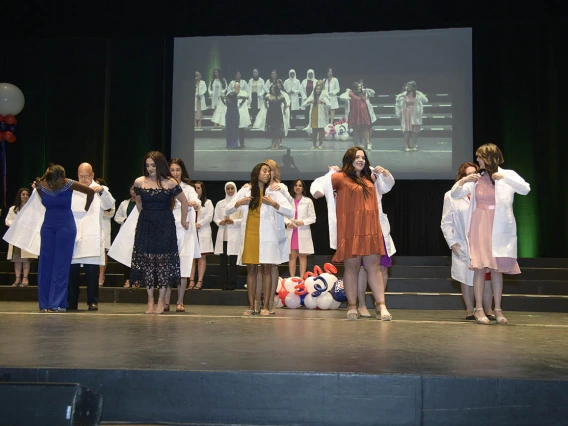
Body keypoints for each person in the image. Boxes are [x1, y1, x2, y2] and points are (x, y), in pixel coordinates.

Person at [451, 143, 530, 325]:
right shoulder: (477, 178)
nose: (477, 160)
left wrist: (504, 178)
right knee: (479, 267)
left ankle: (498, 309)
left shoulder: (507, 175)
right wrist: (463, 181)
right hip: (480, 224)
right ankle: (479, 309)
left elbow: (525, 188)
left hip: (499, 225)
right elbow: (455, 195)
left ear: (489, 158)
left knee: (496, 269)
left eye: (480, 157)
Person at [311, 147, 390, 320]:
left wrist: (385, 174)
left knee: (374, 268)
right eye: (357, 157)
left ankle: (381, 306)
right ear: (349, 159)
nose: (360, 159)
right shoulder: (340, 177)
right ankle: (352, 306)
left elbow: (388, 186)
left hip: (370, 228)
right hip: (350, 229)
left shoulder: (370, 177)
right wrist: (319, 190)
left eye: (363, 157)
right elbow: (317, 183)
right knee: (351, 268)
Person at [4, 164, 94, 312]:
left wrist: (86, 209)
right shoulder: (40, 185)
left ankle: (57, 303)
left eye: (62, 179)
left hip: (66, 226)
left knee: (61, 265)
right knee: (45, 263)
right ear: (51, 179)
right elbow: (42, 200)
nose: (60, 183)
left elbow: (90, 192)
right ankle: (45, 303)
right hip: (48, 227)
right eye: (58, 180)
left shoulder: (69, 183)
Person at [226, 162, 294, 316]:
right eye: (264, 171)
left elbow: (290, 212)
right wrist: (238, 203)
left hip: (267, 236)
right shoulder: (245, 190)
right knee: (250, 270)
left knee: (266, 270)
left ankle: (265, 306)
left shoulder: (274, 192)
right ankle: (251, 306)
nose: (267, 174)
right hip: (250, 234)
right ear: (257, 173)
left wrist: (275, 204)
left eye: (269, 172)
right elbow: (227, 209)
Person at [130, 151, 189, 314]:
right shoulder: (139, 182)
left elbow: (184, 202)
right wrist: (145, 218)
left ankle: (161, 300)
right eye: (147, 165)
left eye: (153, 165)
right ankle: (150, 300)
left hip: (165, 224)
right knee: (148, 263)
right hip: (146, 224)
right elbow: (139, 203)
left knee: (163, 263)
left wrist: (184, 220)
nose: (150, 168)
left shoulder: (170, 182)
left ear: (160, 165)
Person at [442, 162, 496, 320]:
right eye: (468, 175)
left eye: (475, 173)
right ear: (461, 177)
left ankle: (489, 309)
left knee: (486, 275)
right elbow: (446, 222)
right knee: (464, 277)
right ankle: (469, 310)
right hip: (462, 241)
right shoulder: (451, 195)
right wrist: (451, 242)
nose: (472, 176)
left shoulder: (483, 193)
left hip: (482, 239)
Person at [67, 163, 116, 311]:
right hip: (75, 235)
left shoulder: (100, 190)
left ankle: (92, 301)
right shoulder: (72, 189)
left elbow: (110, 204)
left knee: (92, 273)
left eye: (86, 176)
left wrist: (101, 192)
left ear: (92, 175)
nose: (83, 179)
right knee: (72, 272)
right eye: (80, 176)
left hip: (92, 236)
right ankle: (71, 301)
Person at [356, 165, 396, 318]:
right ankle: (361, 304)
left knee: (383, 268)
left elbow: (389, 184)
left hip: (379, 229)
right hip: (362, 230)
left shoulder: (378, 185)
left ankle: (380, 302)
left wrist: (385, 172)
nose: (373, 177)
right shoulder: (355, 186)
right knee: (362, 269)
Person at [165, 158, 201, 312]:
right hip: (168, 230)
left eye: (178, 170)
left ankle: (180, 301)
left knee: (184, 267)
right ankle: (165, 301)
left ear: (182, 171)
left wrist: (194, 203)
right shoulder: (164, 186)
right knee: (166, 268)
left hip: (185, 232)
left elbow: (196, 201)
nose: (175, 173)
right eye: (172, 170)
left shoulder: (188, 188)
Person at [5, 188, 36, 286]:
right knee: (17, 259)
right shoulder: (13, 209)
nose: (25, 196)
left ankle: (25, 279)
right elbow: (7, 221)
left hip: (26, 236)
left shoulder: (32, 208)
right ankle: (17, 279)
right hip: (15, 236)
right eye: (23, 194)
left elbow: (34, 222)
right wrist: (16, 224)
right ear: (19, 196)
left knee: (26, 259)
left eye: (27, 194)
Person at [213, 182, 242, 290]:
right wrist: (220, 222)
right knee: (223, 261)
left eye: (232, 189)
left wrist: (233, 221)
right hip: (224, 235)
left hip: (234, 235)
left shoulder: (239, 203)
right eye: (228, 189)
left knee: (233, 262)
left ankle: (232, 284)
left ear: (235, 189)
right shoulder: (220, 203)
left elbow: (244, 219)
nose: (230, 191)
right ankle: (224, 284)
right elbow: (215, 217)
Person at [286, 179, 316, 279]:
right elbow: (283, 215)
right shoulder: (288, 200)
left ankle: (302, 278)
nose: (297, 187)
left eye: (300, 185)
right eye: (295, 185)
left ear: (303, 188)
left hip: (303, 231)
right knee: (292, 256)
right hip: (291, 231)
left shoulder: (308, 201)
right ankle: (292, 278)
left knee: (302, 256)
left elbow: (313, 218)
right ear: (293, 187)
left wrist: (303, 222)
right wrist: (287, 223)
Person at [191, 181, 214, 290]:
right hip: (191, 231)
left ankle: (199, 281)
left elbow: (209, 217)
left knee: (201, 257)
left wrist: (199, 224)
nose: (196, 190)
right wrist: (192, 225)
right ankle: (191, 281)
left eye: (198, 188)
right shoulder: (189, 201)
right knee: (191, 258)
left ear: (202, 190)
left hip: (202, 230)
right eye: (194, 188)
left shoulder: (208, 202)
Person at [114, 184, 137, 288]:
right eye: (132, 189)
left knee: (137, 258)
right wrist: (124, 220)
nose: (134, 191)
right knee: (125, 257)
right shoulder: (124, 203)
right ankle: (127, 279)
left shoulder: (143, 203)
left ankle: (137, 279)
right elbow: (117, 217)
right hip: (126, 234)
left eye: (136, 190)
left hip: (138, 233)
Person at [395, 81, 428, 152]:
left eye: (409, 86)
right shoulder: (405, 94)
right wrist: (401, 95)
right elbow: (397, 99)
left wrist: (419, 93)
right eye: (407, 86)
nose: (407, 87)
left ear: (413, 87)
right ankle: (406, 146)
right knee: (406, 130)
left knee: (414, 131)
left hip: (414, 114)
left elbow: (425, 100)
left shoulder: (418, 94)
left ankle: (414, 145)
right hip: (406, 113)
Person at [340, 82, 373, 150]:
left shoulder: (363, 93)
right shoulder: (350, 93)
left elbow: (373, 93)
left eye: (360, 87)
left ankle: (368, 143)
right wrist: (347, 97)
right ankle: (356, 145)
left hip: (364, 113)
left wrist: (368, 90)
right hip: (355, 114)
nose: (360, 88)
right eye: (358, 87)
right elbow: (341, 97)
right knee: (355, 129)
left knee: (365, 128)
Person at [95, 177, 115, 287]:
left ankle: (101, 275)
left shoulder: (108, 198)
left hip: (105, 226)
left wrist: (98, 213)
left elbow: (111, 213)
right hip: (93, 227)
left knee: (103, 252)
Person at [302, 82, 330, 150]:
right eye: (317, 89)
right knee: (314, 130)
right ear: (315, 90)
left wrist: (323, 102)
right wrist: (310, 101)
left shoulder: (323, 95)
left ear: (321, 90)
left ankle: (320, 144)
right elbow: (304, 104)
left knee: (321, 130)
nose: (318, 90)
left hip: (321, 115)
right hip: (313, 114)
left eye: (319, 89)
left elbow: (329, 104)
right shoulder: (312, 95)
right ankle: (314, 144)